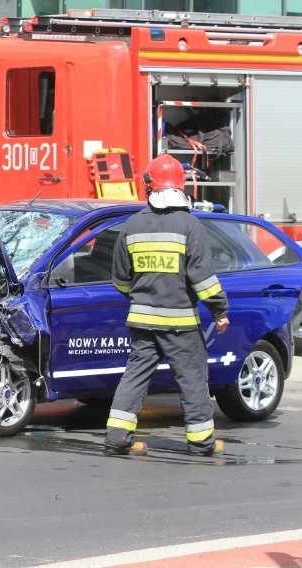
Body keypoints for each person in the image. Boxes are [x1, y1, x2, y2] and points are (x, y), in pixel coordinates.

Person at [104, 154, 230, 457]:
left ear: (149, 186)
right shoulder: (190, 226)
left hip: (142, 322)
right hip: (181, 325)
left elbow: (121, 280)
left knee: (134, 378)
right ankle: (201, 443)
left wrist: (141, 298)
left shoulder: (131, 226)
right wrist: (219, 311)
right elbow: (203, 279)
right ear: (180, 186)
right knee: (192, 380)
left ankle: (117, 439)